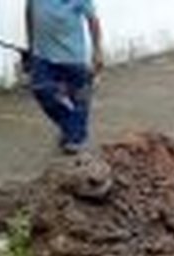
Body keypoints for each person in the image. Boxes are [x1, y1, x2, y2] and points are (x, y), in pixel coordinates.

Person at [26, 0, 104, 154]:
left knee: (80, 99)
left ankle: (74, 137)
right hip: (43, 55)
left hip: (73, 57)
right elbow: (29, 13)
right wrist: (30, 43)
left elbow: (93, 21)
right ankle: (71, 128)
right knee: (42, 90)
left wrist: (97, 51)